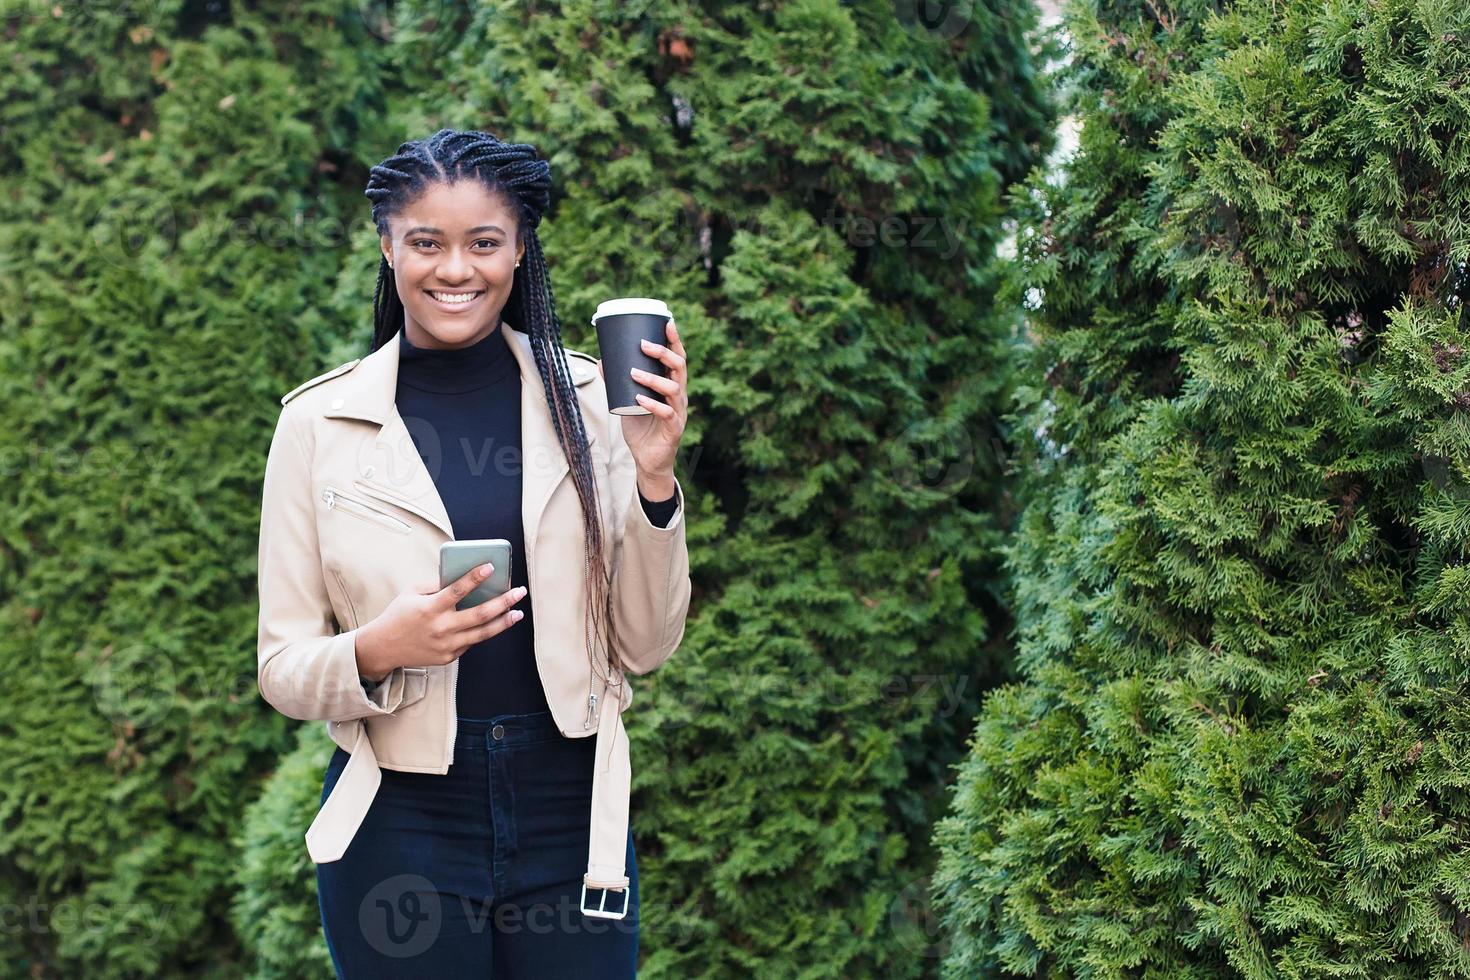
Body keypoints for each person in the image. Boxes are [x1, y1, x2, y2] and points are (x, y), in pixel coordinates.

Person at [254, 128, 692, 977]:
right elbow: (282, 666)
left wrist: (654, 476)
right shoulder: (317, 424)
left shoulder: (598, 401)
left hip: (572, 812)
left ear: (520, 249)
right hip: (400, 822)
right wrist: (383, 649)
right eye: (427, 242)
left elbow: (646, 645)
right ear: (388, 247)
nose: (456, 269)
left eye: (484, 242)